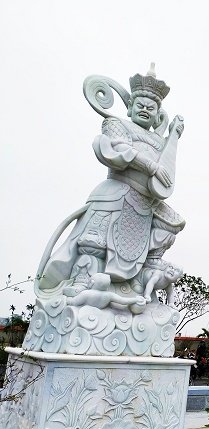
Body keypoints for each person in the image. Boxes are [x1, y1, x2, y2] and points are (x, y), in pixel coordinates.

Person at [36, 63, 185, 300]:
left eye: (151, 108)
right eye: (140, 105)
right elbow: (117, 148)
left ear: (158, 114)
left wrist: (173, 135)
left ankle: (143, 274)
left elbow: (167, 171)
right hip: (116, 191)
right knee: (94, 240)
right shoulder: (116, 124)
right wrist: (150, 166)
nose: (145, 110)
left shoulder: (159, 141)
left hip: (146, 200)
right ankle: (83, 279)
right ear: (130, 108)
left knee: (173, 223)